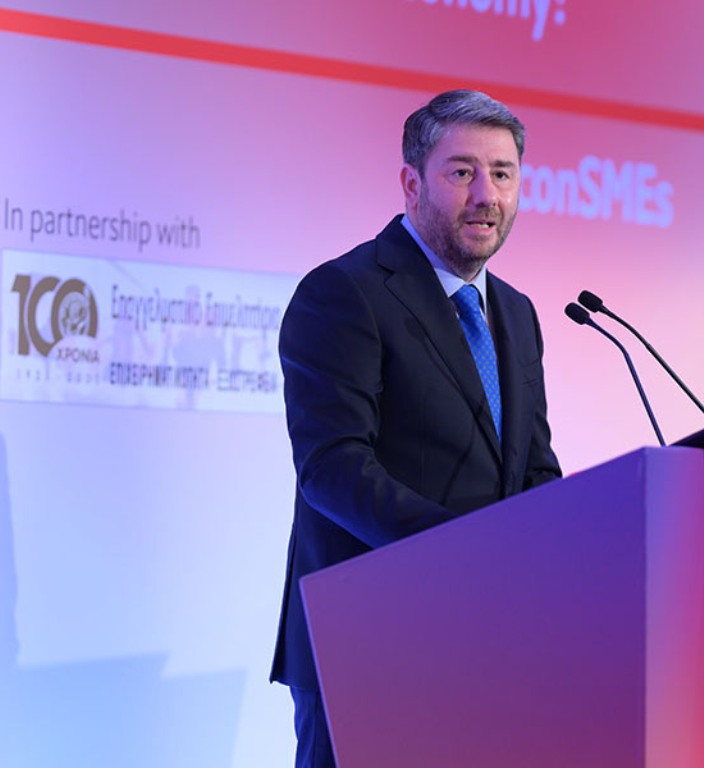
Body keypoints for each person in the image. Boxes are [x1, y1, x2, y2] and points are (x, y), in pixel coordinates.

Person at [270, 89, 562, 768]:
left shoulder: (516, 312)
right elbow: (333, 468)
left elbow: (533, 467)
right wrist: (467, 555)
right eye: (462, 172)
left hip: (490, 645)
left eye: (502, 173)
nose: (486, 195)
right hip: (368, 640)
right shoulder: (344, 292)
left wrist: (567, 549)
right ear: (411, 183)